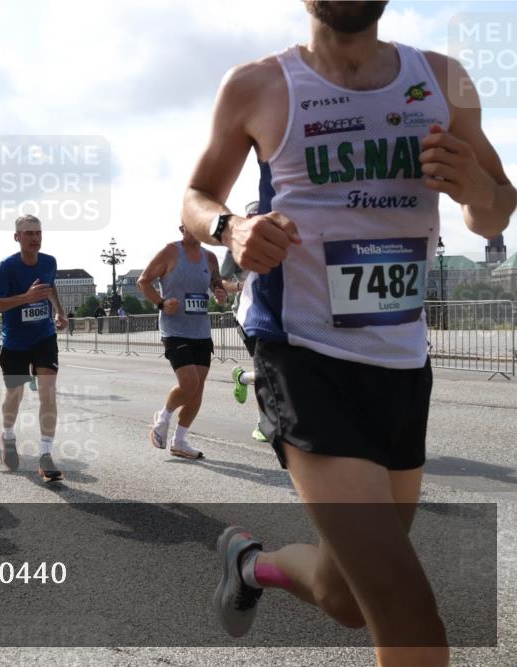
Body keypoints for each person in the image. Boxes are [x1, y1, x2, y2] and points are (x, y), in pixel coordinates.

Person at [185, 2, 514, 663]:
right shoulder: (257, 85)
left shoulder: (443, 80)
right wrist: (233, 228)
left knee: (345, 596)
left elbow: (496, 209)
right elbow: (195, 197)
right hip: (299, 355)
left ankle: (251, 565)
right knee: (404, 603)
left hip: (400, 363)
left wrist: (476, 184)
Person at [0, 214, 68, 482]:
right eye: (29, 233)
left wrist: (59, 311)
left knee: (48, 393)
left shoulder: (49, 262)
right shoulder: (7, 267)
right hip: (15, 341)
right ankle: (8, 435)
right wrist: (25, 298)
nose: (35, 238)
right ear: (17, 237)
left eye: (38, 232)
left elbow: (51, 287)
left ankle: (45, 455)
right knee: (15, 395)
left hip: (44, 336)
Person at [138, 225, 226, 459]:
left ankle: (179, 441)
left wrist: (220, 292)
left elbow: (217, 283)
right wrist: (161, 303)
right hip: (174, 329)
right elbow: (144, 281)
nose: (195, 231)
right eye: (190, 226)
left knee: (198, 389)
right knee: (189, 383)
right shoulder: (170, 252)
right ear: (182, 228)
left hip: (201, 331)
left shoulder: (210, 257)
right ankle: (163, 417)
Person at [223, 202, 269, 443]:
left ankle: (241, 377)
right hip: (246, 316)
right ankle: (263, 424)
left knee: (276, 369)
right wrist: (243, 285)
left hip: (274, 315)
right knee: (267, 369)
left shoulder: (276, 237)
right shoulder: (237, 245)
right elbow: (220, 282)